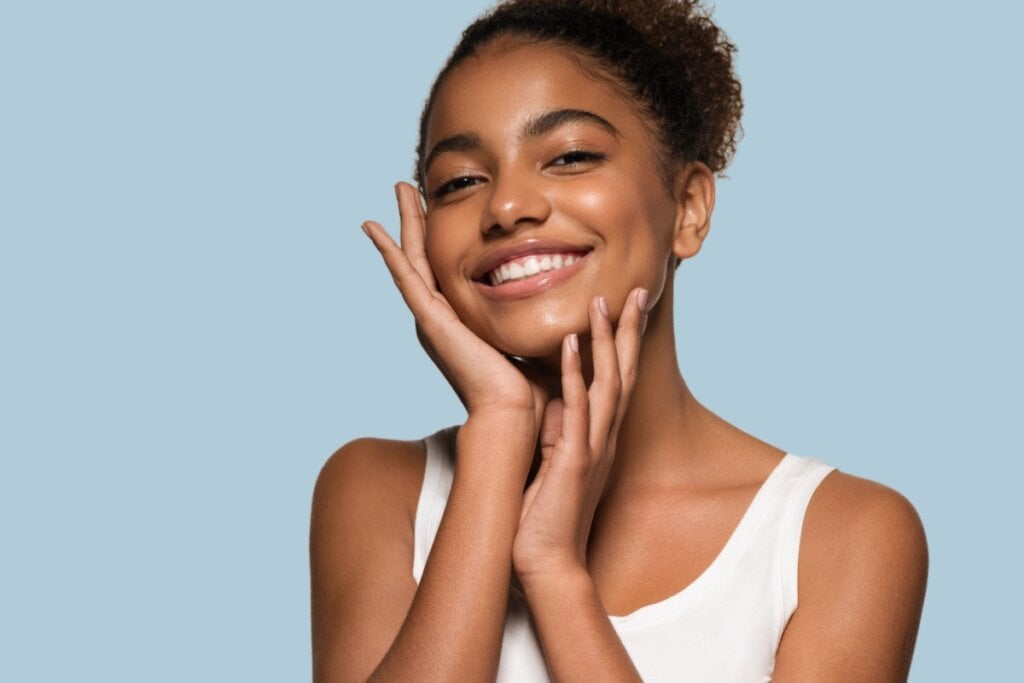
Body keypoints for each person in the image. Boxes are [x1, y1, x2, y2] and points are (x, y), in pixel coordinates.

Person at [310, 0, 928, 680]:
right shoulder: (378, 490)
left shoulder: (841, 534)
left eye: (570, 156)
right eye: (460, 181)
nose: (508, 206)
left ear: (688, 209)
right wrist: (498, 431)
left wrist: (555, 573)